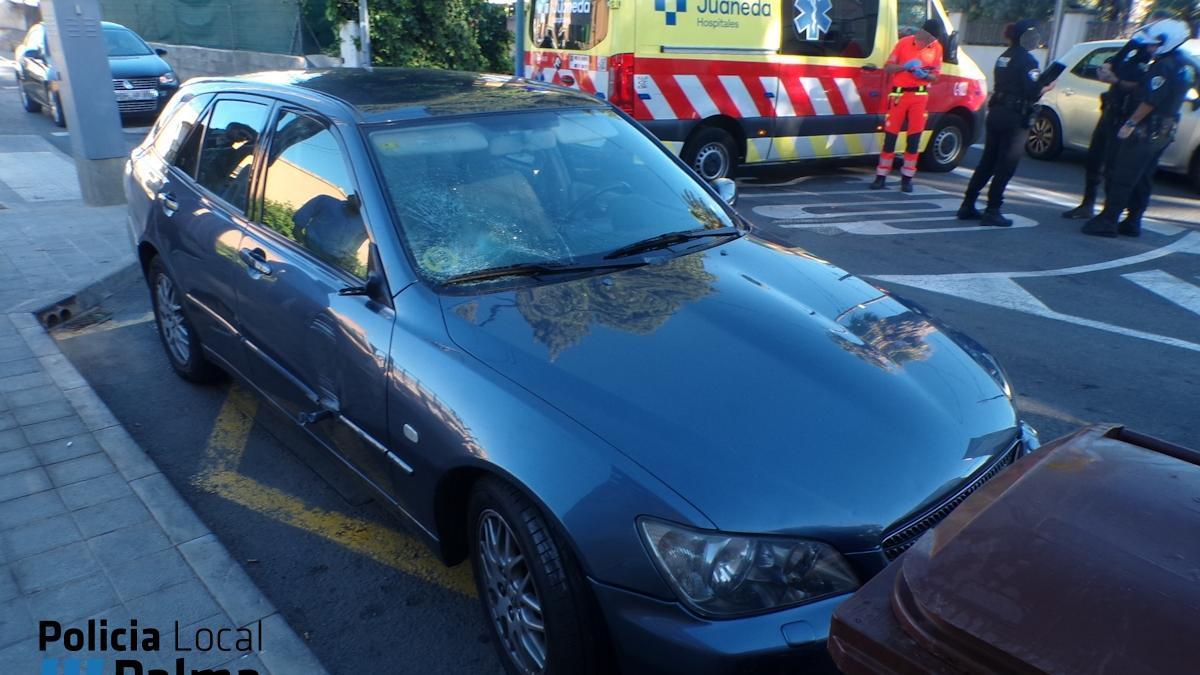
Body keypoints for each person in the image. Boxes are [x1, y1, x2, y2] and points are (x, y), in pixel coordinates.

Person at [1082, 19, 1195, 237]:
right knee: (1144, 176)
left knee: (1124, 174)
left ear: (1166, 42)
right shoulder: (1183, 64)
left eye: (1154, 44)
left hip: (1147, 128)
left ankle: (1108, 220)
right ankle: (1133, 221)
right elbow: (1145, 87)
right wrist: (1117, 81)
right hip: (1165, 128)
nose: (1150, 48)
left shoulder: (1163, 66)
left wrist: (1131, 123)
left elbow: (1150, 100)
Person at [1061, 13, 1168, 219]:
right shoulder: (1135, 45)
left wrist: (1117, 80)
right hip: (1111, 109)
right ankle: (1087, 204)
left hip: (1129, 115)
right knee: (1094, 158)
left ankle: (1110, 214)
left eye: (1154, 26)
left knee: (1115, 166)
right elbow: (1115, 61)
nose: (1148, 31)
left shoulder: (1159, 56)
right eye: (1148, 25)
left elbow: (1145, 88)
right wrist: (1106, 69)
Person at [957, 20, 1057, 226]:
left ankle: (968, 203)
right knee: (1006, 165)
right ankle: (993, 210)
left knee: (987, 162)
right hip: (1015, 116)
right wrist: (1047, 87)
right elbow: (1032, 92)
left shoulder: (1004, 56)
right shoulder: (1028, 60)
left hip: (997, 112)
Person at [871, 20, 944, 193]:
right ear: (923, 32)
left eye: (934, 39)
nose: (931, 42)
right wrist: (904, 67)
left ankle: (907, 178)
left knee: (914, 139)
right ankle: (881, 176)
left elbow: (936, 76)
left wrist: (925, 75)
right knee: (890, 138)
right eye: (930, 38)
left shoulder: (936, 48)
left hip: (919, 96)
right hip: (899, 95)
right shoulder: (904, 43)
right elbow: (888, 68)